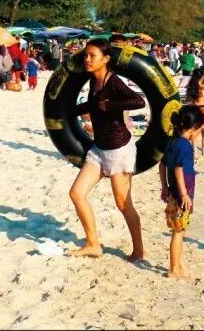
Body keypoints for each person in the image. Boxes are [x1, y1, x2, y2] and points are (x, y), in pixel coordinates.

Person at [69, 39, 146, 260]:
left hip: (118, 150)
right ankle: (93, 244)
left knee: (123, 203)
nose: (87, 59)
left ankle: (139, 250)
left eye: (92, 55)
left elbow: (138, 102)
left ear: (106, 59)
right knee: (76, 193)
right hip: (99, 149)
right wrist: (69, 110)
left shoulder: (113, 81)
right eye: (86, 55)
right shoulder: (93, 80)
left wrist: (111, 105)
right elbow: (93, 106)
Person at [159, 105, 204, 279]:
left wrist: (164, 187)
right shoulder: (185, 145)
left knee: (180, 229)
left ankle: (180, 265)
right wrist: (185, 194)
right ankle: (174, 269)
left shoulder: (172, 140)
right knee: (178, 233)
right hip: (181, 195)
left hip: (173, 191)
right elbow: (179, 169)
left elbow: (162, 165)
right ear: (194, 127)